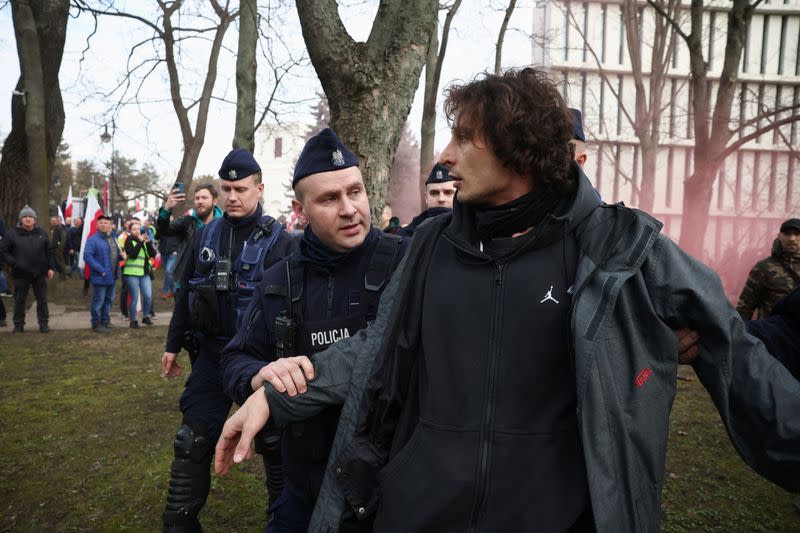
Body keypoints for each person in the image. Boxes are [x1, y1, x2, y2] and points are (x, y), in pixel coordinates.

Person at [216, 68, 800, 532]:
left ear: (519, 150)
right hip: (417, 515)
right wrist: (279, 395)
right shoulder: (427, 248)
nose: (445, 154)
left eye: (465, 138)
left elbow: (739, 352)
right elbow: (375, 349)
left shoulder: (622, 247)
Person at [220, 128, 407, 532]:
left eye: (355, 192)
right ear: (299, 209)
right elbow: (234, 358)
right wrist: (258, 376)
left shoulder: (405, 264)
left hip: (389, 491)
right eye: (329, 199)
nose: (349, 209)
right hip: (304, 485)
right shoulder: (278, 280)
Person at [160, 149, 296, 533]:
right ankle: (179, 524)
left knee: (275, 446)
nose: (232, 196)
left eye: (240, 189)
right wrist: (172, 345)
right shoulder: (206, 233)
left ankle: (285, 520)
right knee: (192, 440)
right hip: (213, 353)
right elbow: (187, 289)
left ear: (259, 189)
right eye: (226, 189)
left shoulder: (282, 241)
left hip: (262, 361)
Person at [156, 183, 222, 290]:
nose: (200, 201)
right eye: (197, 198)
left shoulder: (224, 225)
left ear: (214, 201)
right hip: (185, 284)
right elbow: (163, 231)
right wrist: (167, 209)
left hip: (213, 286)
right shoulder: (187, 221)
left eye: (204, 198)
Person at [0, 205, 54, 333]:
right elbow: (3, 251)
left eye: (30, 217)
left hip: (39, 273)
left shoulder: (42, 233)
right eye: (25, 217)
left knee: (42, 300)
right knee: (19, 300)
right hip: (20, 273)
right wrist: (14, 262)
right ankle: (18, 325)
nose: (28, 219)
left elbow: (49, 252)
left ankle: (44, 324)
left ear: (35, 219)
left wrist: (51, 267)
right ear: (20, 220)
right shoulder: (12, 234)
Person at [736, 218, 800, 320]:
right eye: (787, 234)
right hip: (772, 333)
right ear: (779, 237)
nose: (792, 238)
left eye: (797, 234)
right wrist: (739, 334)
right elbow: (745, 307)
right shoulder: (764, 268)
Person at [396, 163, 456, 238]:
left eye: (448, 192)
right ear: (426, 198)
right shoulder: (403, 236)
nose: (441, 199)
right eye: (434, 193)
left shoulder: (471, 233)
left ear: (458, 195)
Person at [84, 215, 120, 333]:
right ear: (97, 225)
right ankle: (96, 324)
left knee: (108, 300)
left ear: (110, 225)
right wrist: (101, 270)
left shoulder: (113, 238)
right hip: (101, 276)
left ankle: (105, 321)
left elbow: (115, 255)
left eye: (106, 223)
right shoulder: (93, 240)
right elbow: (87, 256)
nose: (104, 225)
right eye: (101, 223)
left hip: (112, 276)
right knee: (98, 301)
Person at [123, 221, 156, 328]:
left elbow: (153, 254)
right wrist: (140, 242)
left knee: (148, 296)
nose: (137, 231)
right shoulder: (129, 240)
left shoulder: (142, 240)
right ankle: (133, 320)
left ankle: (146, 316)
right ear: (130, 231)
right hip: (132, 273)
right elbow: (132, 255)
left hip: (144, 272)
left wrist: (148, 242)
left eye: (138, 228)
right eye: (134, 229)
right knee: (134, 298)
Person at [49, 215, 69, 280]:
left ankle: (63, 276)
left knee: (60, 262)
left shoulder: (60, 229)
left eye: (55, 221)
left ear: (57, 221)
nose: (53, 222)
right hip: (52, 248)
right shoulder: (52, 228)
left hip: (57, 249)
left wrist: (59, 247)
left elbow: (63, 239)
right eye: (52, 221)